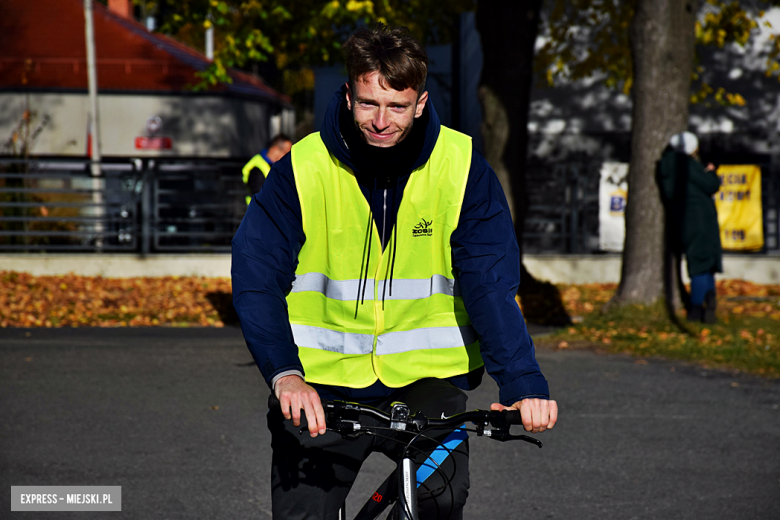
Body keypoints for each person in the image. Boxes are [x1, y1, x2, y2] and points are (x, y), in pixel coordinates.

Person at [232, 23, 557, 519]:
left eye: (397, 106)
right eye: (368, 103)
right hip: (322, 387)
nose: (382, 121)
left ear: (421, 103)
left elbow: (489, 284)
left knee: (440, 500)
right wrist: (285, 375)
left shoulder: (462, 167)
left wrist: (523, 381)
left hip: (427, 385)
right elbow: (257, 277)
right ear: (348, 95)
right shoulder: (304, 168)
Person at [658, 131, 723, 323]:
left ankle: (707, 302)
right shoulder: (686, 165)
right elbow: (710, 185)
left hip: (685, 219)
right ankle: (698, 307)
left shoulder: (668, 166)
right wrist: (710, 171)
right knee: (702, 261)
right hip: (699, 220)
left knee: (702, 261)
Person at [241, 133, 292, 204]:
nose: (288, 157)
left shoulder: (275, 166)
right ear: (275, 150)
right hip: (255, 213)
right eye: (287, 153)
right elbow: (260, 195)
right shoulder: (257, 168)